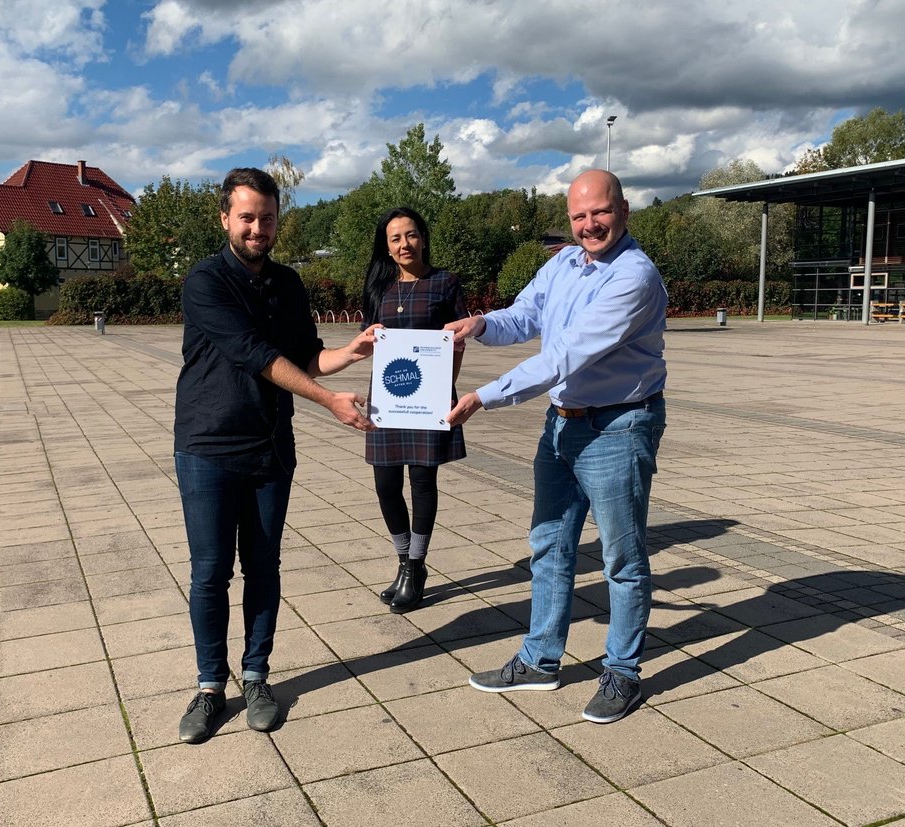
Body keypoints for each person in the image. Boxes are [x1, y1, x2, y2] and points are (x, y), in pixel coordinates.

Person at [445, 169, 667, 724]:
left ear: (623, 211)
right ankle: (541, 660)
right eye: (578, 216)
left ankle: (622, 672)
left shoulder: (633, 277)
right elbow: (525, 316)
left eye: (600, 212)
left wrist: (483, 398)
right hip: (562, 425)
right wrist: (478, 325)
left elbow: (563, 357)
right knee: (549, 545)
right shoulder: (564, 262)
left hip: (619, 426)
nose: (589, 225)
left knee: (621, 558)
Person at [174, 167, 377, 744]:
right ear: (226, 220)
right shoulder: (204, 281)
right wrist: (329, 403)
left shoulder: (288, 283)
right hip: (208, 447)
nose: (258, 228)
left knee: (264, 567)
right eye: (247, 218)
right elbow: (255, 354)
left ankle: (257, 676)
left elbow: (305, 358)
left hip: (269, 447)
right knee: (211, 572)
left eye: (266, 218)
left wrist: (353, 352)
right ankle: (211, 687)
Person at [361, 207, 468, 613]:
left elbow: (457, 341)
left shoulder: (444, 283)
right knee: (386, 485)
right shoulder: (378, 286)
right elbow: (367, 340)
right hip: (388, 398)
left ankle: (416, 565)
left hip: (428, 401)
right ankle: (405, 561)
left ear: (423, 237)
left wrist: (445, 391)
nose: (404, 244)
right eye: (395, 238)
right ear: (386, 247)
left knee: (422, 484)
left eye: (411, 235)